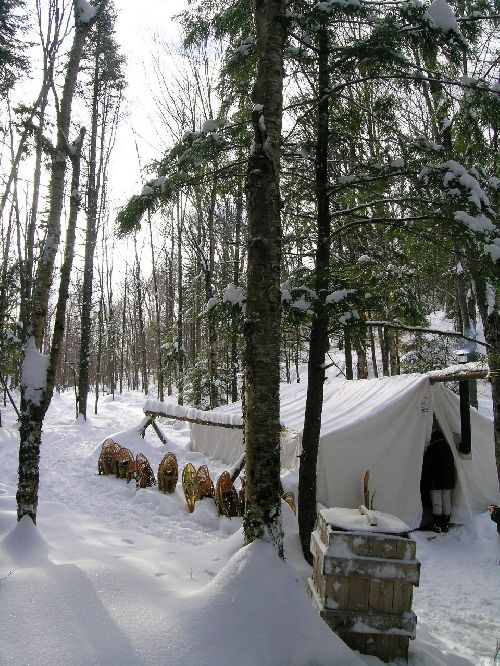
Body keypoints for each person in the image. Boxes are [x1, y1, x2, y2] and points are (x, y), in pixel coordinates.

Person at [421, 425, 456, 533]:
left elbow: (426, 464)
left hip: (435, 481)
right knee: (446, 501)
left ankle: (437, 523)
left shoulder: (432, 448)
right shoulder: (448, 447)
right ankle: (445, 523)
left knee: (437, 502)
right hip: (448, 481)